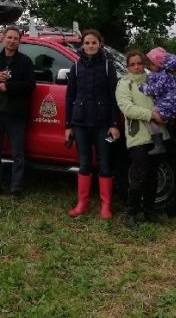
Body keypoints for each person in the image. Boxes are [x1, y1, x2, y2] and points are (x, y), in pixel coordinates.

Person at [65, 29, 121, 220]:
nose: (90, 46)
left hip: (103, 123)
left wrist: (114, 124)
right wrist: (68, 125)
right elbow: (69, 96)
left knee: (104, 164)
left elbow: (115, 97)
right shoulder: (76, 66)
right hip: (80, 123)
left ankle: (106, 206)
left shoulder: (108, 66)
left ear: (99, 44)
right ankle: (82, 203)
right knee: (84, 163)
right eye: (87, 43)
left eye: (93, 43)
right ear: (82, 45)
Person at [116, 51, 169, 228]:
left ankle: (149, 211)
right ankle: (131, 213)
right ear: (128, 66)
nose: (137, 67)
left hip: (158, 134)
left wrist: (166, 113)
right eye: (133, 64)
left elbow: (165, 98)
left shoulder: (153, 79)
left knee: (153, 176)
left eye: (139, 63)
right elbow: (127, 108)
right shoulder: (124, 84)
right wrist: (151, 115)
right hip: (138, 136)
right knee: (140, 175)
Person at [0, 26, 36, 197]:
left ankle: (16, 187)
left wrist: (9, 86)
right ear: (3, 39)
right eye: (9, 37)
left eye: (15, 38)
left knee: (18, 153)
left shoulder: (25, 62)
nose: (12, 41)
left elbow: (30, 85)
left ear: (20, 41)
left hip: (16, 115)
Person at [138, 47, 176, 155]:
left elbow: (155, 89)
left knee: (150, 116)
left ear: (160, 65)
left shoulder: (163, 76)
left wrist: (142, 88)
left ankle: (159, 145)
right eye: (150, 64)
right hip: (171, 106)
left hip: (167, 106)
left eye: (153, 64)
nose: (150, 66)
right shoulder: (167, 75)